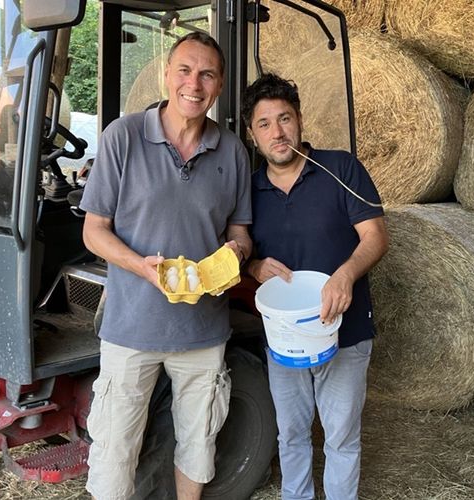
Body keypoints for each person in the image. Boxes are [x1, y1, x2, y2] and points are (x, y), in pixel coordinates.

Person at [80, 32, 252, 500]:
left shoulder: (232, 151)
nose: (193, 83)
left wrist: (236, 255)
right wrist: (140, 267)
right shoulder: (123, 136)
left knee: (199, 443)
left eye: (207, 74)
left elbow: (240, 232)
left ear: (217, 87)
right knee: (115, 449)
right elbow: (93, 230)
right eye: (184, 70)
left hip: (202, 331)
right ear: (165, 74)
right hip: (131, 327)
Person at [242, 73, 389, 500]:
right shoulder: (250, 189)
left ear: (300, 120)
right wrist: (253, 267)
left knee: (341, 437)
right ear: (253, 135)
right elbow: (240, 251)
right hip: (284, 336)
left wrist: (345, 274)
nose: (278, 132)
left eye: (284, 118)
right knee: (291, 434)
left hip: (345, 331)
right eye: (265, 124)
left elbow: (376, 237)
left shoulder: (340, 168)